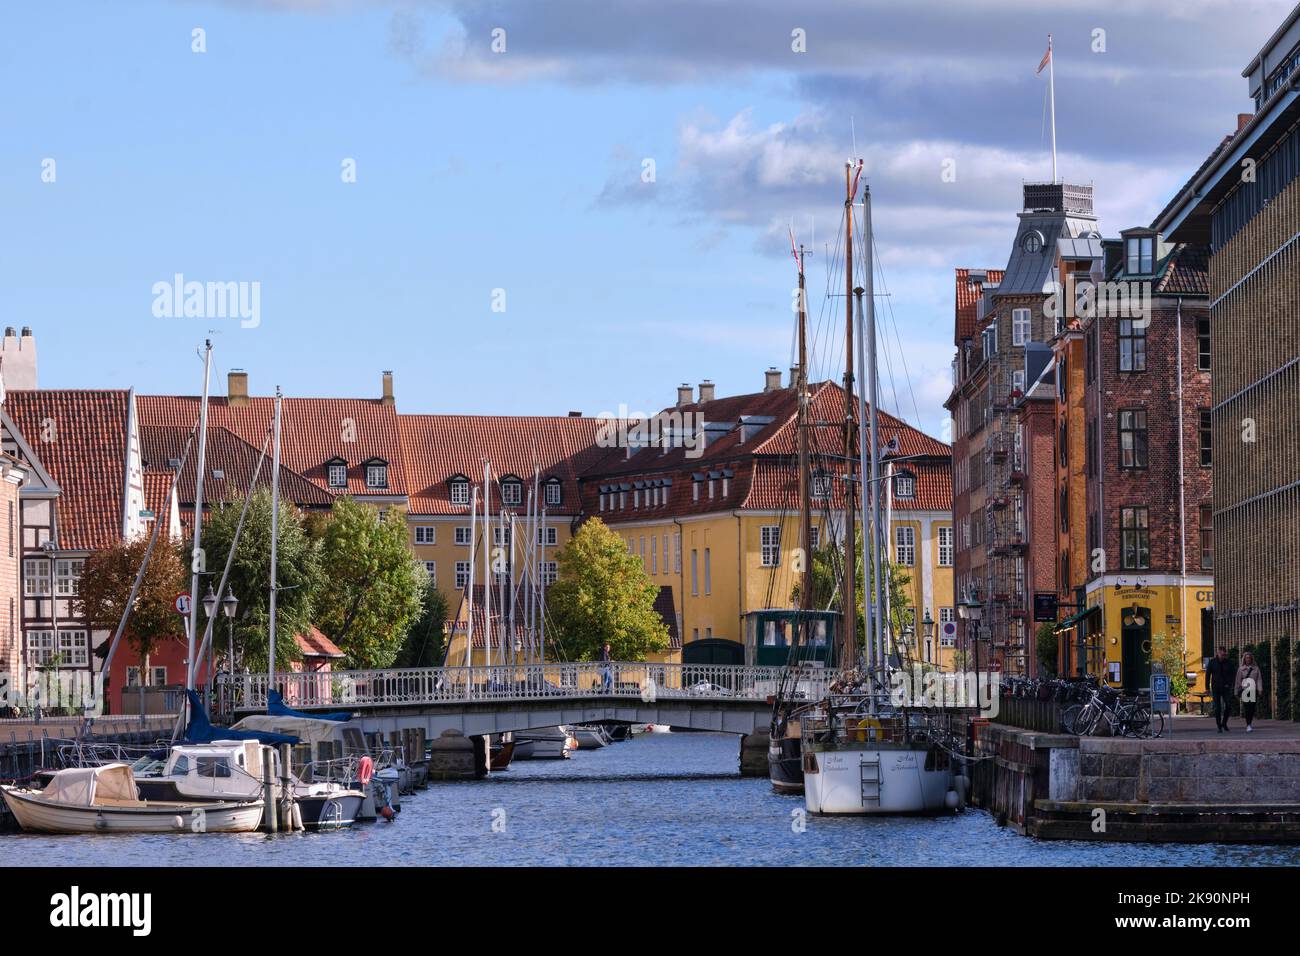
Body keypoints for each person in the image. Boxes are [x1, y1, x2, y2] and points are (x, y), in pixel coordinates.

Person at [1206, 647, 1234, 733]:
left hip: (1225, 688)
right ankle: (1219, 726)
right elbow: (1207, 675)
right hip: (1216, 688)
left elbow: (1233, 674)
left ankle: (1224, 723)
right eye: (1222, 654)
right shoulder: (1212, 662)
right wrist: (1207, 688)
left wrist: (1229, 684)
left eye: (1224, 655)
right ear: (1218, 653)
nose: (1223, 656)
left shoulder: (1228, 662)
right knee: (1217, 708)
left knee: (1228, 706)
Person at [1235, 651, 1263, 733]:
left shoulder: (1256, 668)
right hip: (1245, 690)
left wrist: (1260, 689)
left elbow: (1259, 679)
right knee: (1247, 708)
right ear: (1244, 659)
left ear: (1251, 659)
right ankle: (1248, 724)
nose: (1248, 659)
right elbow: (1238, 680)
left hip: (1253, 690)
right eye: (1246, 658)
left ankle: (1250, 722)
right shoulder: (1241, 669)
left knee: (1252, 708)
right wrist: (1236, 691)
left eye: (1249, 658)